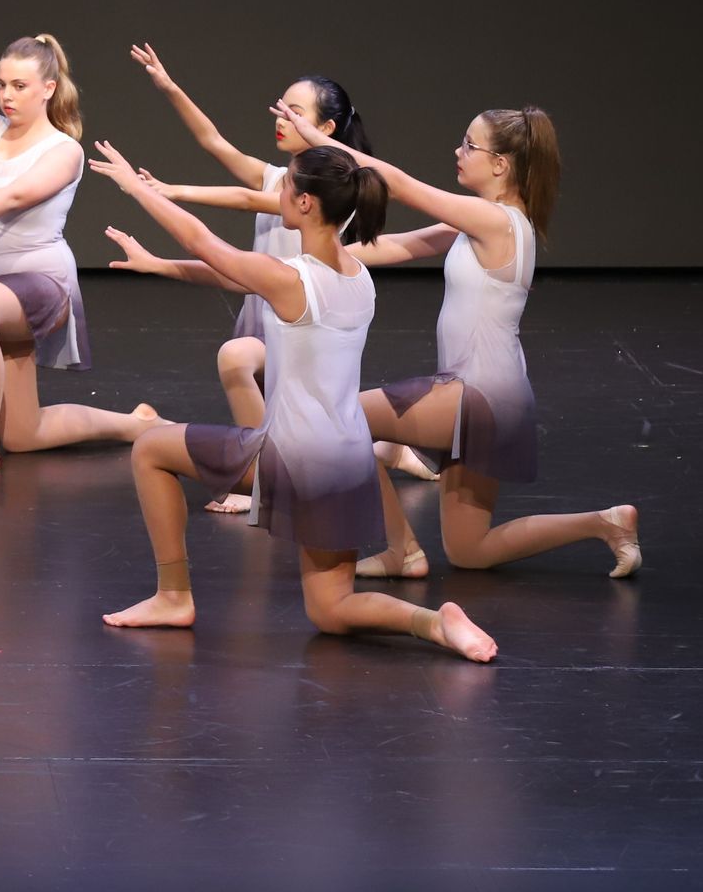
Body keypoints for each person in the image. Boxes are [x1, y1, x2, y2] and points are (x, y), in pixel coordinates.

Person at [91, 142, 498, 663]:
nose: (279, 192)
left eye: (286, 184)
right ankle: (434, 621)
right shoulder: (356, 276)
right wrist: (161, 266)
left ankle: (173, 597)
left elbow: (206, 243)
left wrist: (135, 188)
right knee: (331, 609)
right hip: (350, 462)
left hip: (294, 457)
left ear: (305, 202)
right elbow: (235, 273)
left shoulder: (293, 280)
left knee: (150, 449)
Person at [273, 101, 640, 579]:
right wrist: (313, 262)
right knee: (470, 550)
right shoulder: (484, 221)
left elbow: (399, 184)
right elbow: (398, 246)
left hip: (479, 392)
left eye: (469, 146)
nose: (458, 152)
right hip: (494, 391)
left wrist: (319, 140)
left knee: (343, 418)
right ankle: (605, 523)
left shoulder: (498, 222)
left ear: (500, 164)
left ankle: (403, 550)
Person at [0, 21, 155, 476]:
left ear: (48, 89)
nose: (7, 95)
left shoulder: (64, 151)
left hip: (41, 286)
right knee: (23, 434)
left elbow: (17, 196)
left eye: (19, 86)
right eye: (1, 84)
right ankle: (137, 425)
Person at [125, 44, 371, 510]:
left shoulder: (325, 190)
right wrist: (170, 87)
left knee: (240, 361)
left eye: (294, 111)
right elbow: (213, 141)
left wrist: (172, 191)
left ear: (325, 129)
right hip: (265, 315)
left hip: (301, 320)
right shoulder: (278, 176)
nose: (280, 118)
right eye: (280, 107)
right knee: (268, 390)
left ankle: (261, 476)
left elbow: (244, 201)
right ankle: (382, 452)